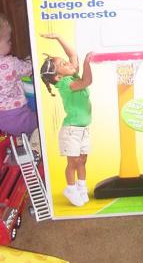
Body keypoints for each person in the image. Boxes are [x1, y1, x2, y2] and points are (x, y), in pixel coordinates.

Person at [40, 33, 93, 207]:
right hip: (71, 131)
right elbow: (87, 81)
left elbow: (72, 55)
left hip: (83, 129)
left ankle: (81, 187)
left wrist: (58, 37)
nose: (69, 63)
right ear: (58, 77)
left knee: (83, 159)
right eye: (63, 64)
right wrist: (86, 63)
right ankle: (70, 188)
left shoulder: (71, 75)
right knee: (73, 162)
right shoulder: (66, 84)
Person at [0, 13, 38, 136]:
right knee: (40, 121)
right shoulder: (10, 64)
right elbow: (29, 68)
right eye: (8, 40)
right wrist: (30, 60)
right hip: (17, 117)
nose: (10, 43)